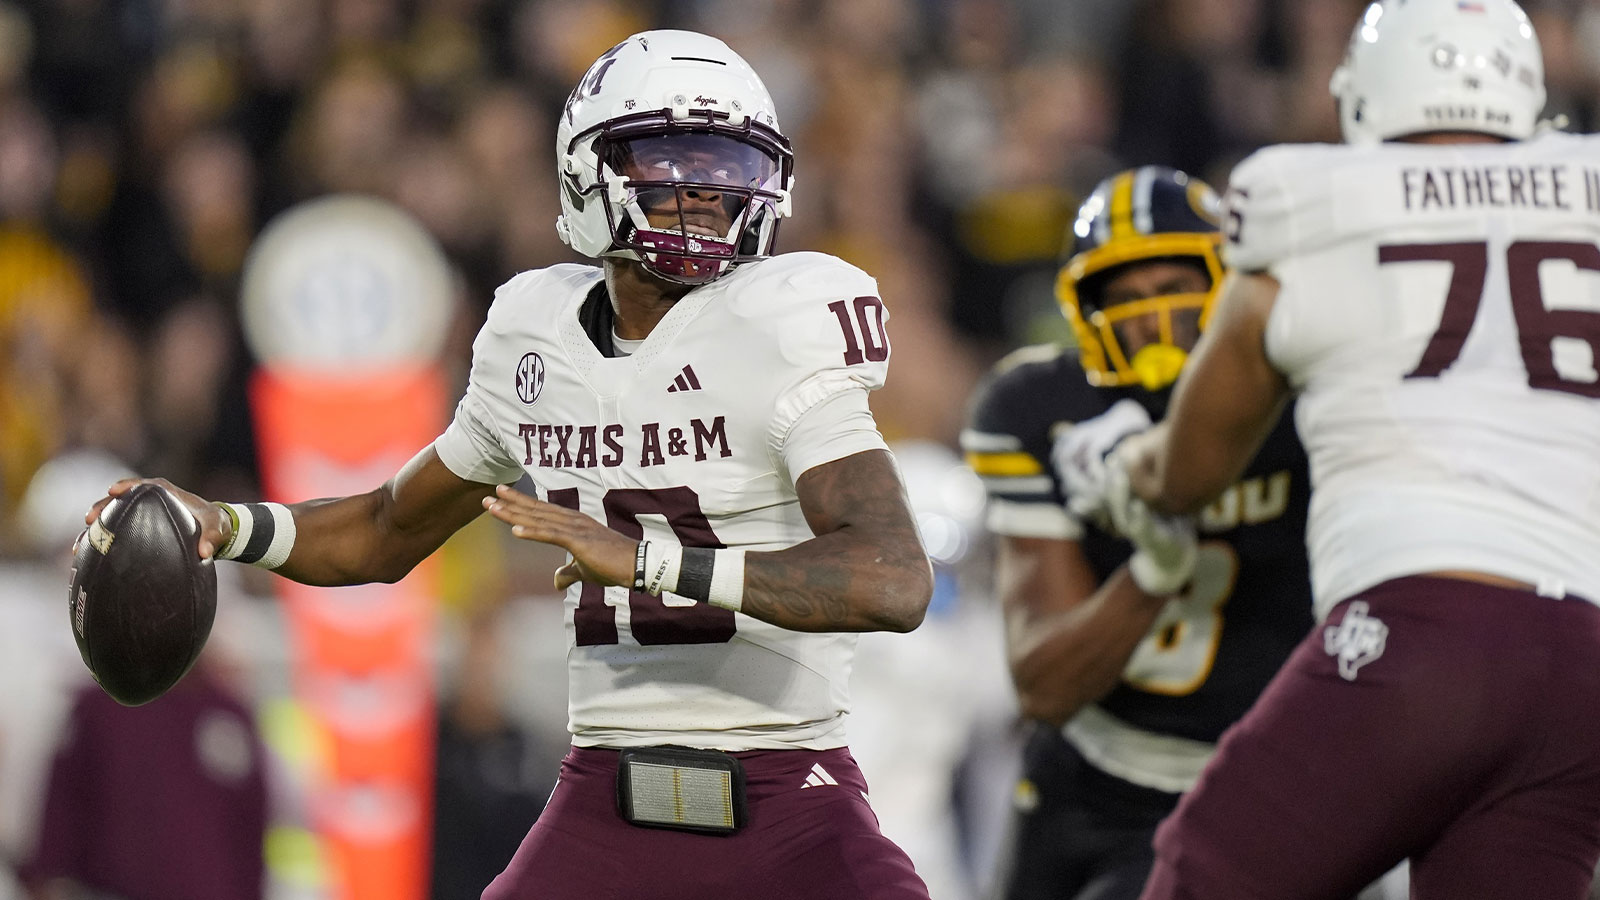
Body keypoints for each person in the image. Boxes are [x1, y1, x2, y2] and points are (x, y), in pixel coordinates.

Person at [87, 29, 935, 900]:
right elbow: (385, 528)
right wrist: (225, 527)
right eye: (669, 162)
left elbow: (893, 578)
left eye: (727, 165)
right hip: (605, 806)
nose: (706, 193)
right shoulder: (537, 338)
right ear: (586, 174)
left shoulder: (779, 324)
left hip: (788, 799)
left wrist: (650, 562)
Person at [1056, 2, 1600, 898]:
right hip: (1578, 658)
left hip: (1422, 629)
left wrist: (1116, 467)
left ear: (1365, 98)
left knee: (1203, 872)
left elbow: (1188, 474)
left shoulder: (1310, 210)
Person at [961, 166, 1313, 900]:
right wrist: (1153, 571)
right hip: (1095, 769)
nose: (1154, 321)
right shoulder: (1040, 406)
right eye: (1123, 299)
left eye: (1174, 292)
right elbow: (1043, 684)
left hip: (1273, 780)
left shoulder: (1305, 397)